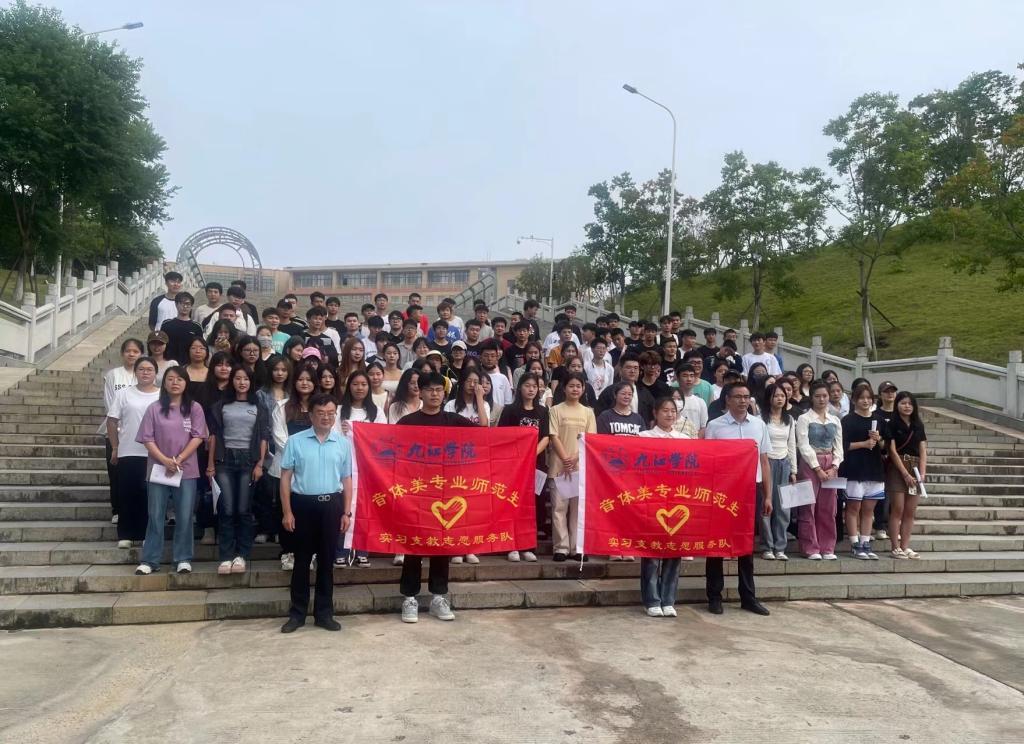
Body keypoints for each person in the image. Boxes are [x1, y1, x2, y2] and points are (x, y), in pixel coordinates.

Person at [396, 372, 480, 624]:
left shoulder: (455, 421)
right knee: (413, 545)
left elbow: (485, 439)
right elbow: (392, 454)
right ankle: (409, 598)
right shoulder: (407, 423)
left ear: (444, 394)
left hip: (446, 493)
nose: (434, 394)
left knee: (442, 545)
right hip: (415, 494)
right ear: (419, 392)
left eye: (439, 390)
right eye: (429, 389)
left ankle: (438, 597)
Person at [278, 393, 353, 633]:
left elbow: (347, 479)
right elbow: (285, 478)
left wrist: (346, 512)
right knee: (301, 562)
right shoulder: (295, 441)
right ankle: (297, 614)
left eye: (331, 413)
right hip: (302, 506)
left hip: (331, 506)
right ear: (310, 415)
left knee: (327, 562)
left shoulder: (342, 443)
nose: (326, 417)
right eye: (320, 413)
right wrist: (287, 512)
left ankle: (324, 614)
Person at [703, 382, 773, 616]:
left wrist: (768, 495)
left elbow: (764, 461)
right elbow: (709, 462)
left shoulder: (759, 425)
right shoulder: (715, 426)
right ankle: (714, 596)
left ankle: (748, 597)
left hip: (751, 490)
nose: (743, 401)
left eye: (746, 396)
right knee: (716, 544)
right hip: (722, 491)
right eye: (738, 397)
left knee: (746, 544)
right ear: (727, 399)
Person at [134, 366, 207, 575]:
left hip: (186, 469)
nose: (175, 383)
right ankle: (150, 560)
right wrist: (165, 460)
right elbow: (147, 438)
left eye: (179, 379)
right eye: (170, 379)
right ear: (164, 383)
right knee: (155, 514)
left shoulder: (194, 408)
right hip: (158, 469)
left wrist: (179, 459)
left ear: (186, 383)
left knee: (184, 515)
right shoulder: (154, 408)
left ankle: (182, 558)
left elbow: (198, 436)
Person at [207, 366, 270, 575]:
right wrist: (210, 464)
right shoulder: (221, 405)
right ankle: (225, 556)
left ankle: (242, 555)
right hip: (224, 460)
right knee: (226, 509)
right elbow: (213, 436)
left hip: (248, 461)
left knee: (243, 509)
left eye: (246, 379)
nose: (242, 382)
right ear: (231, 381)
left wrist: (260, 464)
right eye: (238, 378)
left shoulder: (258, 406)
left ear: (251, 382)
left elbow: (263, 437)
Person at [637, 397, 691, 616]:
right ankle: (652, 600)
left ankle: (668, 600)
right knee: (651, 552)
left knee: (674, 551)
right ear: (655, 413)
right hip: (652, 500)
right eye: (665, 410)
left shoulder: (685, 440)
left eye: (673, 411)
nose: (670, 414)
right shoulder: (644, 437)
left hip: (677, 500)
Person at [107, 357, 161, 550]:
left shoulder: (163, 395)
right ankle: (126, 534)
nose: (145, 372)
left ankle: (147, 534)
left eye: (149, 369)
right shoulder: (124, 394)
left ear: (156, 373)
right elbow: (112, 420)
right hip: (128, 450)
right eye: (141, 369)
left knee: (150, 495)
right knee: (127, 493)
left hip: (155, 453)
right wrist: (115, 447)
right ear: (135, 372)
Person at [269, 363, 318, 571]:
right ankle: (288, 552)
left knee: (310, 514)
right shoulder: (283, 406)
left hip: (314, 469)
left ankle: (310, 553)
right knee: (287, 511)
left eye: (308, 379)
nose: (304, 383)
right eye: (300, 379)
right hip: (286, 468)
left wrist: (310, 457)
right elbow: (279, 436)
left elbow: (327, 433)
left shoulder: (321, 407)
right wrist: (300, 456)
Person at [497, 373, 548, 562]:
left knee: (532, 506)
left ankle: (528, 546)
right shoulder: (510, 410)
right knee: (513, 504)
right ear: (520, 388)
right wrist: (520, 456)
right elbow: (503, 436)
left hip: (535, 465)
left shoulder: (542, 411)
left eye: (534, 386)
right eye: (527, 385)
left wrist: (531, 454)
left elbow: (546, 437)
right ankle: (511, 546)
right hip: (514, 466)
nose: (531, 389)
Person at [548, 372, 597, 562]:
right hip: (558, 466)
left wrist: (574, 459)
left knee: (578, 510)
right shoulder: (555, 410)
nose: (575, 389)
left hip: (580, 467)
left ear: (583, 389)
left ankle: (577, 547)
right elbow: (553, 436)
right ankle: (561, 547)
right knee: (559, 508)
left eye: (578, 386)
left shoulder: (588, 412)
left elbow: (589, 439)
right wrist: (566, 459)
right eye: (571, 386)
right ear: (564, 388)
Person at [795, 381, 844, 560]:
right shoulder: (804, 418)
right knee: (808, 506)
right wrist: (817, 468)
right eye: (817, 396)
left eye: (824, 396)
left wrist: (835, 466)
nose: (821, 399)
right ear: (812, 397)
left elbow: (839, 446)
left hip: (830, 463)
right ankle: (810, 547)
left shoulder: (835, 420)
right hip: (810, 463)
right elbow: (803, 444)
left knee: (829, 507)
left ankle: (827, 547)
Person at [839, 383, 885, 560]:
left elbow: (885, 446)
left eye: (868, 398)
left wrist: (878, 439)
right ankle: (854, 543)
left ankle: (865, 542)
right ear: (854, 400)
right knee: (853, 507)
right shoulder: (847, 420)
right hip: (854, 468)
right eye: (861, 398)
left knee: (868, 509)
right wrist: (864, 444)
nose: (865, 401)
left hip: (874, 469)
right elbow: (842, 445)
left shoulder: (878, 420)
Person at [99, 339, 143, 524]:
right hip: (115, 431)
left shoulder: (143, 374)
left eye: (136, 351)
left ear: (141, 354)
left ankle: (137, 510)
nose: (131, 354)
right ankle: (117, 509)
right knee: (116, 472)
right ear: (122, 353)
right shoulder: (113, 375)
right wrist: (119, 427)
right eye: (128, 351)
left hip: (138, 432)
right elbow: (110, 403)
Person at [886, 391, 928, 559]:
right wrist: (904, 473)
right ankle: (895, 547)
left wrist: (922, 473)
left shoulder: (918, 424)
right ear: (897, 404)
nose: (907, 406)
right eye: (903, 403)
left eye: (910, 403)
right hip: (898, 467)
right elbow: (892, 451)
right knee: (898, 508)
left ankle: (905, 545)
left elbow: (923, 450)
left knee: (910, 510)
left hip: (915, 467)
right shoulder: (892, 423)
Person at [254, 355, 290, 546]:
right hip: (266, 443)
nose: (280, 373)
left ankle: (279, 528)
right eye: (276, 369)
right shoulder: (261, 394)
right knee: (266, 489)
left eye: (283, 370)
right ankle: (265, 527)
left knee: (283, 489)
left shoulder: (292, 394)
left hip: (287, 444)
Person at [760, 383, 797, 560]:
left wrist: (794, 470)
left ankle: (780, 547)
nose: (780, 399)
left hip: (784, 463)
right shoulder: (761, 418)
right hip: (766, 462)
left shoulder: (789, 419)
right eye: (776, 396)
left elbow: (792, 445)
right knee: (766, 505)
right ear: (769, 398)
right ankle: (767, 546)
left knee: (784, 507)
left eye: (782, 395)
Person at [596, 353, 654, 425]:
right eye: (629, 367)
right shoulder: (609, 392)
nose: (632, 371)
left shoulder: (645, 394)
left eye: (636, 368)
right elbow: (599, 415)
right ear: (620, 370)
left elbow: (652, 418)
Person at [160, 292, 204, 367]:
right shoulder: (166, 325)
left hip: (189, 365)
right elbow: (161, 345)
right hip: (169, 363)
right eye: (182, 303)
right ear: (176, 305)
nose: (185, 306)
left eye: (188, 304)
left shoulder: (196, 327)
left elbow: (199, 347)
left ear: (191, 306)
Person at [675, 363, 708, 437]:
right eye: (685, 376)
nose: (689, 379)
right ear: (678, 379)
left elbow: (703, 427)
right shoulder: (671, 401)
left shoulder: (701, 402)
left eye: (691, 376)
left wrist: (695, 441)